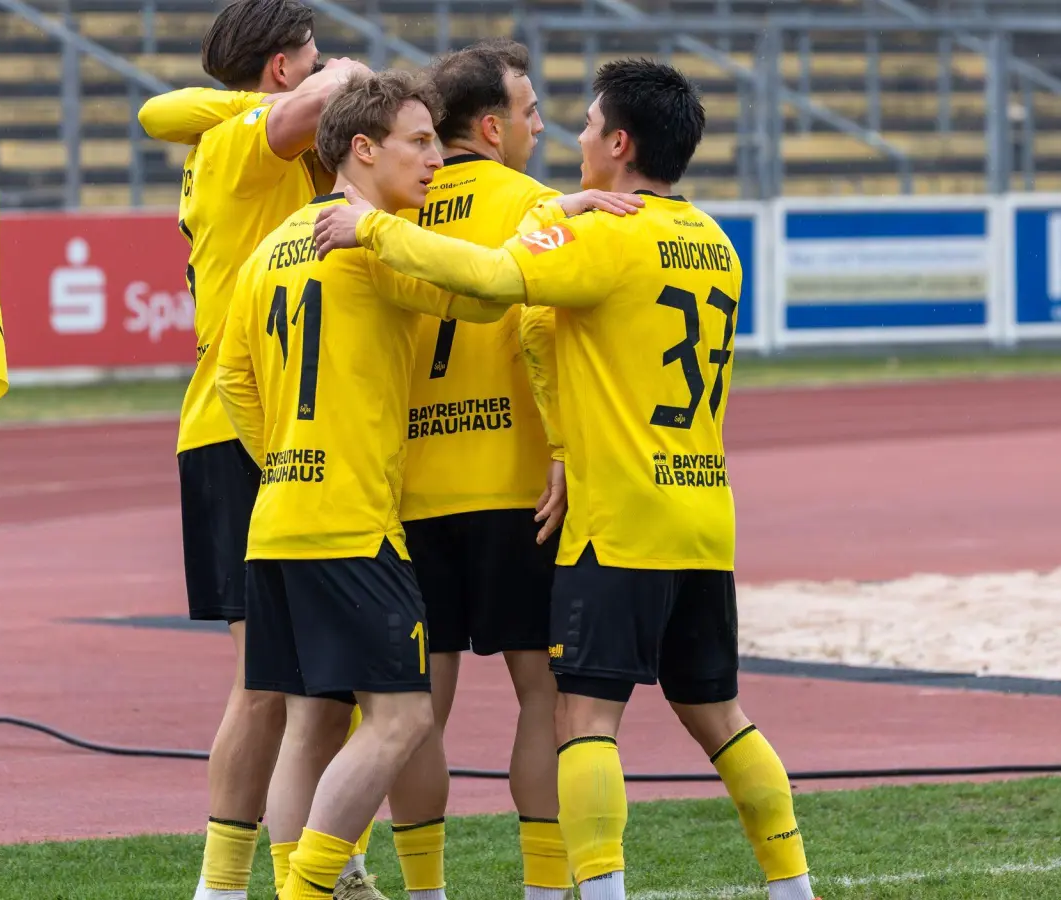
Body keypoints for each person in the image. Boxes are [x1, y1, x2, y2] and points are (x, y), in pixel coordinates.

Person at [311, 59, 819, 900]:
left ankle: (580, 890)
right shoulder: (717, 245)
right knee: (721, 716)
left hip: (610, 515)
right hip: (701, 512)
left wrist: (369, 228)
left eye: (584, 124)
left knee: (580, 720)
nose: (569, 136)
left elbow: (493, 282)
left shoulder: (597, 235)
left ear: (619, 144)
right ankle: (792, 883)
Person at [213, 70, 514, 900]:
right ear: (362, 148)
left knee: (310, 723)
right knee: (404, 718)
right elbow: (488, 295)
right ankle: (308, 889)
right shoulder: (369, 248)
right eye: (419, 143)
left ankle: (286, 881)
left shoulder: (269, 249)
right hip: (352, 524)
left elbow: (234, 379)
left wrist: (286, 455)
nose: (433, 161)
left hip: (277, 520)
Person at [381, 39, 641, 900]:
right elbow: (542, 330)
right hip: (520, 488)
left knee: (415, 707)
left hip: (412, 489)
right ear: (490, 128)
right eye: (531, 114)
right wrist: (568, 449)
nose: (542, 128)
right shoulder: (540, 204)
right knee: (545, 695)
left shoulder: (395, 200)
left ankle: (424, 892)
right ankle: (540, 890)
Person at [135, 3, 370, 898]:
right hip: (240, 426)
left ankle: (313, 866)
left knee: (318, 675)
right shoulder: (245, 144)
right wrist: (340, 73)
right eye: (309, 57)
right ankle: (225, 885)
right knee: (268, 677)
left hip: (271, 425)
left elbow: (163, 110)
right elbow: (336, 92)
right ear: (282, 70)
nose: (326, 66)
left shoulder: (232, 132)